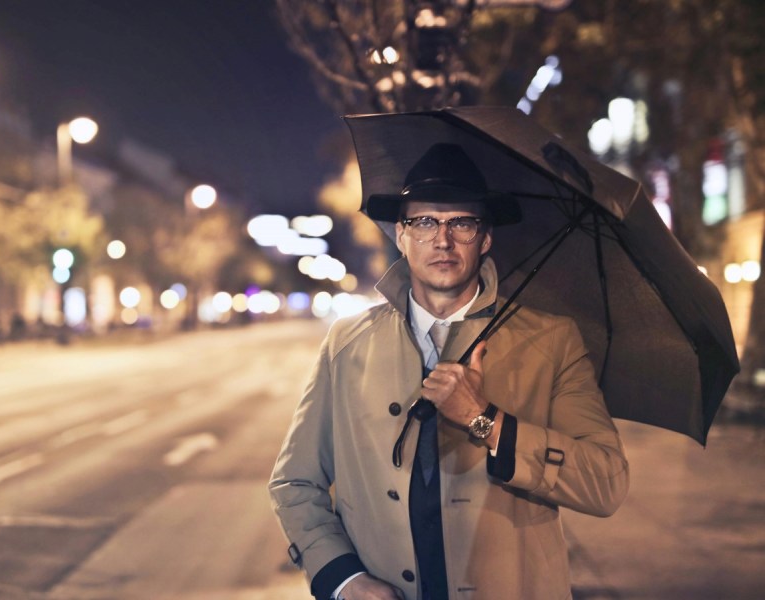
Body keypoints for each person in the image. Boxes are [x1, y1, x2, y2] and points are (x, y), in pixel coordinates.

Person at [268, 143, 629, 600]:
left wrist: (486, 420)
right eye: (424, 222)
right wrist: (343, 579)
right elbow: (295, 482)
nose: (443, 240)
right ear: (400, 234)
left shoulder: (552, 340)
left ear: (486, 237)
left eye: (462, 222)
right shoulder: (347, 342)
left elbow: (606, 483)